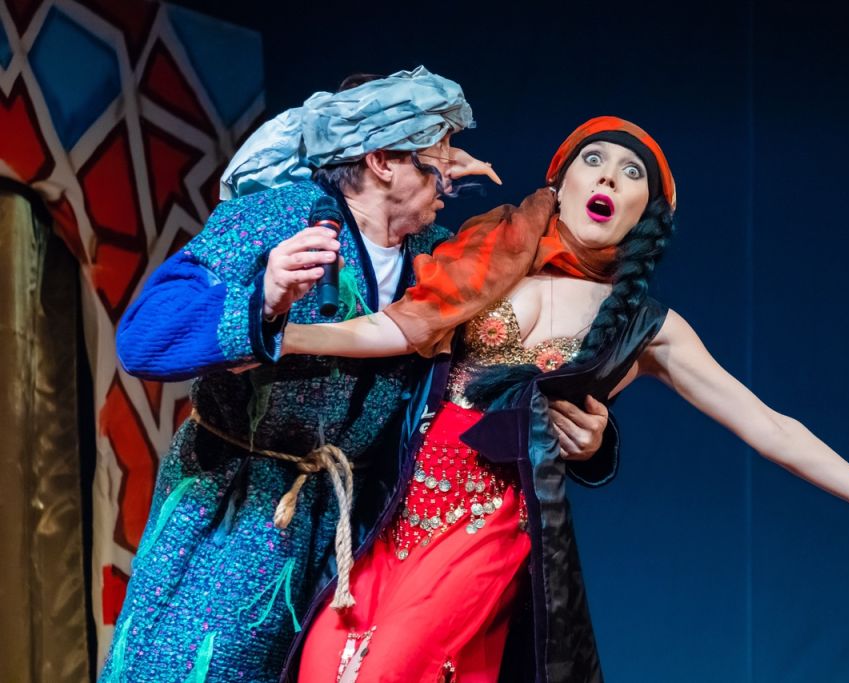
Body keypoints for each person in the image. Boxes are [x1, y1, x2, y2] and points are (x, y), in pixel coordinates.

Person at [280, 116, 849, 683]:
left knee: (387, 670)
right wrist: (273, 334)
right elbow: (392, 328)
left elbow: (770, 426)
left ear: (646, 214)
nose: (608, 177)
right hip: (394, 511)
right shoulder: (486, 253)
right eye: (594, 160)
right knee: (320, 665)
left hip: (491, 525)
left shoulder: (646, 326)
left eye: (632, 173)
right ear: (560, 182)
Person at [100, 68, 614, 683]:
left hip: (359, 532)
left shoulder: (442, 257)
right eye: (438, 156)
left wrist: (590, 441)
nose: (452, 176)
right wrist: (263, 299)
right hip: (236, 513)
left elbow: (513, 355)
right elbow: (144, 338)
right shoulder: (278, 219)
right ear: (382, 161)